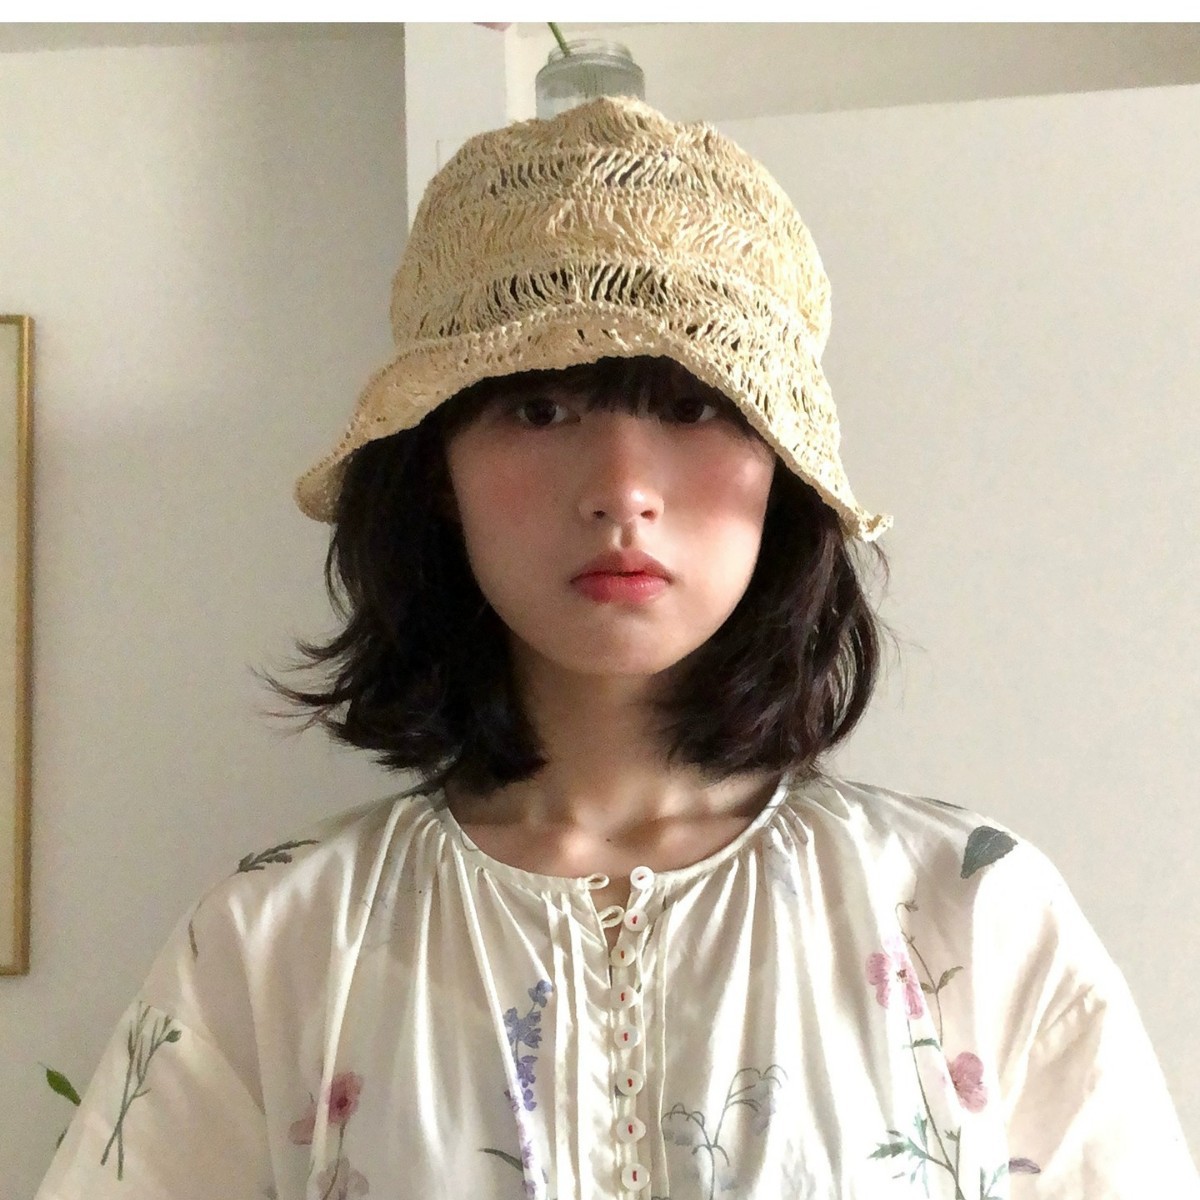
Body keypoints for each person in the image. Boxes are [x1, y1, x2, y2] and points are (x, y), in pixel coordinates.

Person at [36, 96, 1197, 1200]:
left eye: (694, 407)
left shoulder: (970, 912)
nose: (622, 489)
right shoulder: (279, 939)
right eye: (540, 409)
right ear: (438, 472)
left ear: (781, 470)